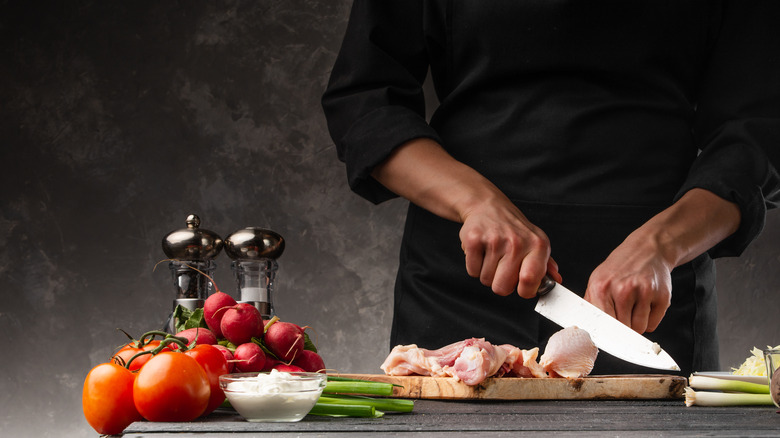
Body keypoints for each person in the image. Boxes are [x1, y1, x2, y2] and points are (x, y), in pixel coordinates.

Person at [321, 1, 780, 376]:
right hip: (465, 276)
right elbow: (365, 101)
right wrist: (475, 201)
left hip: (647, 297)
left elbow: (756, 134)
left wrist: (662, 244)